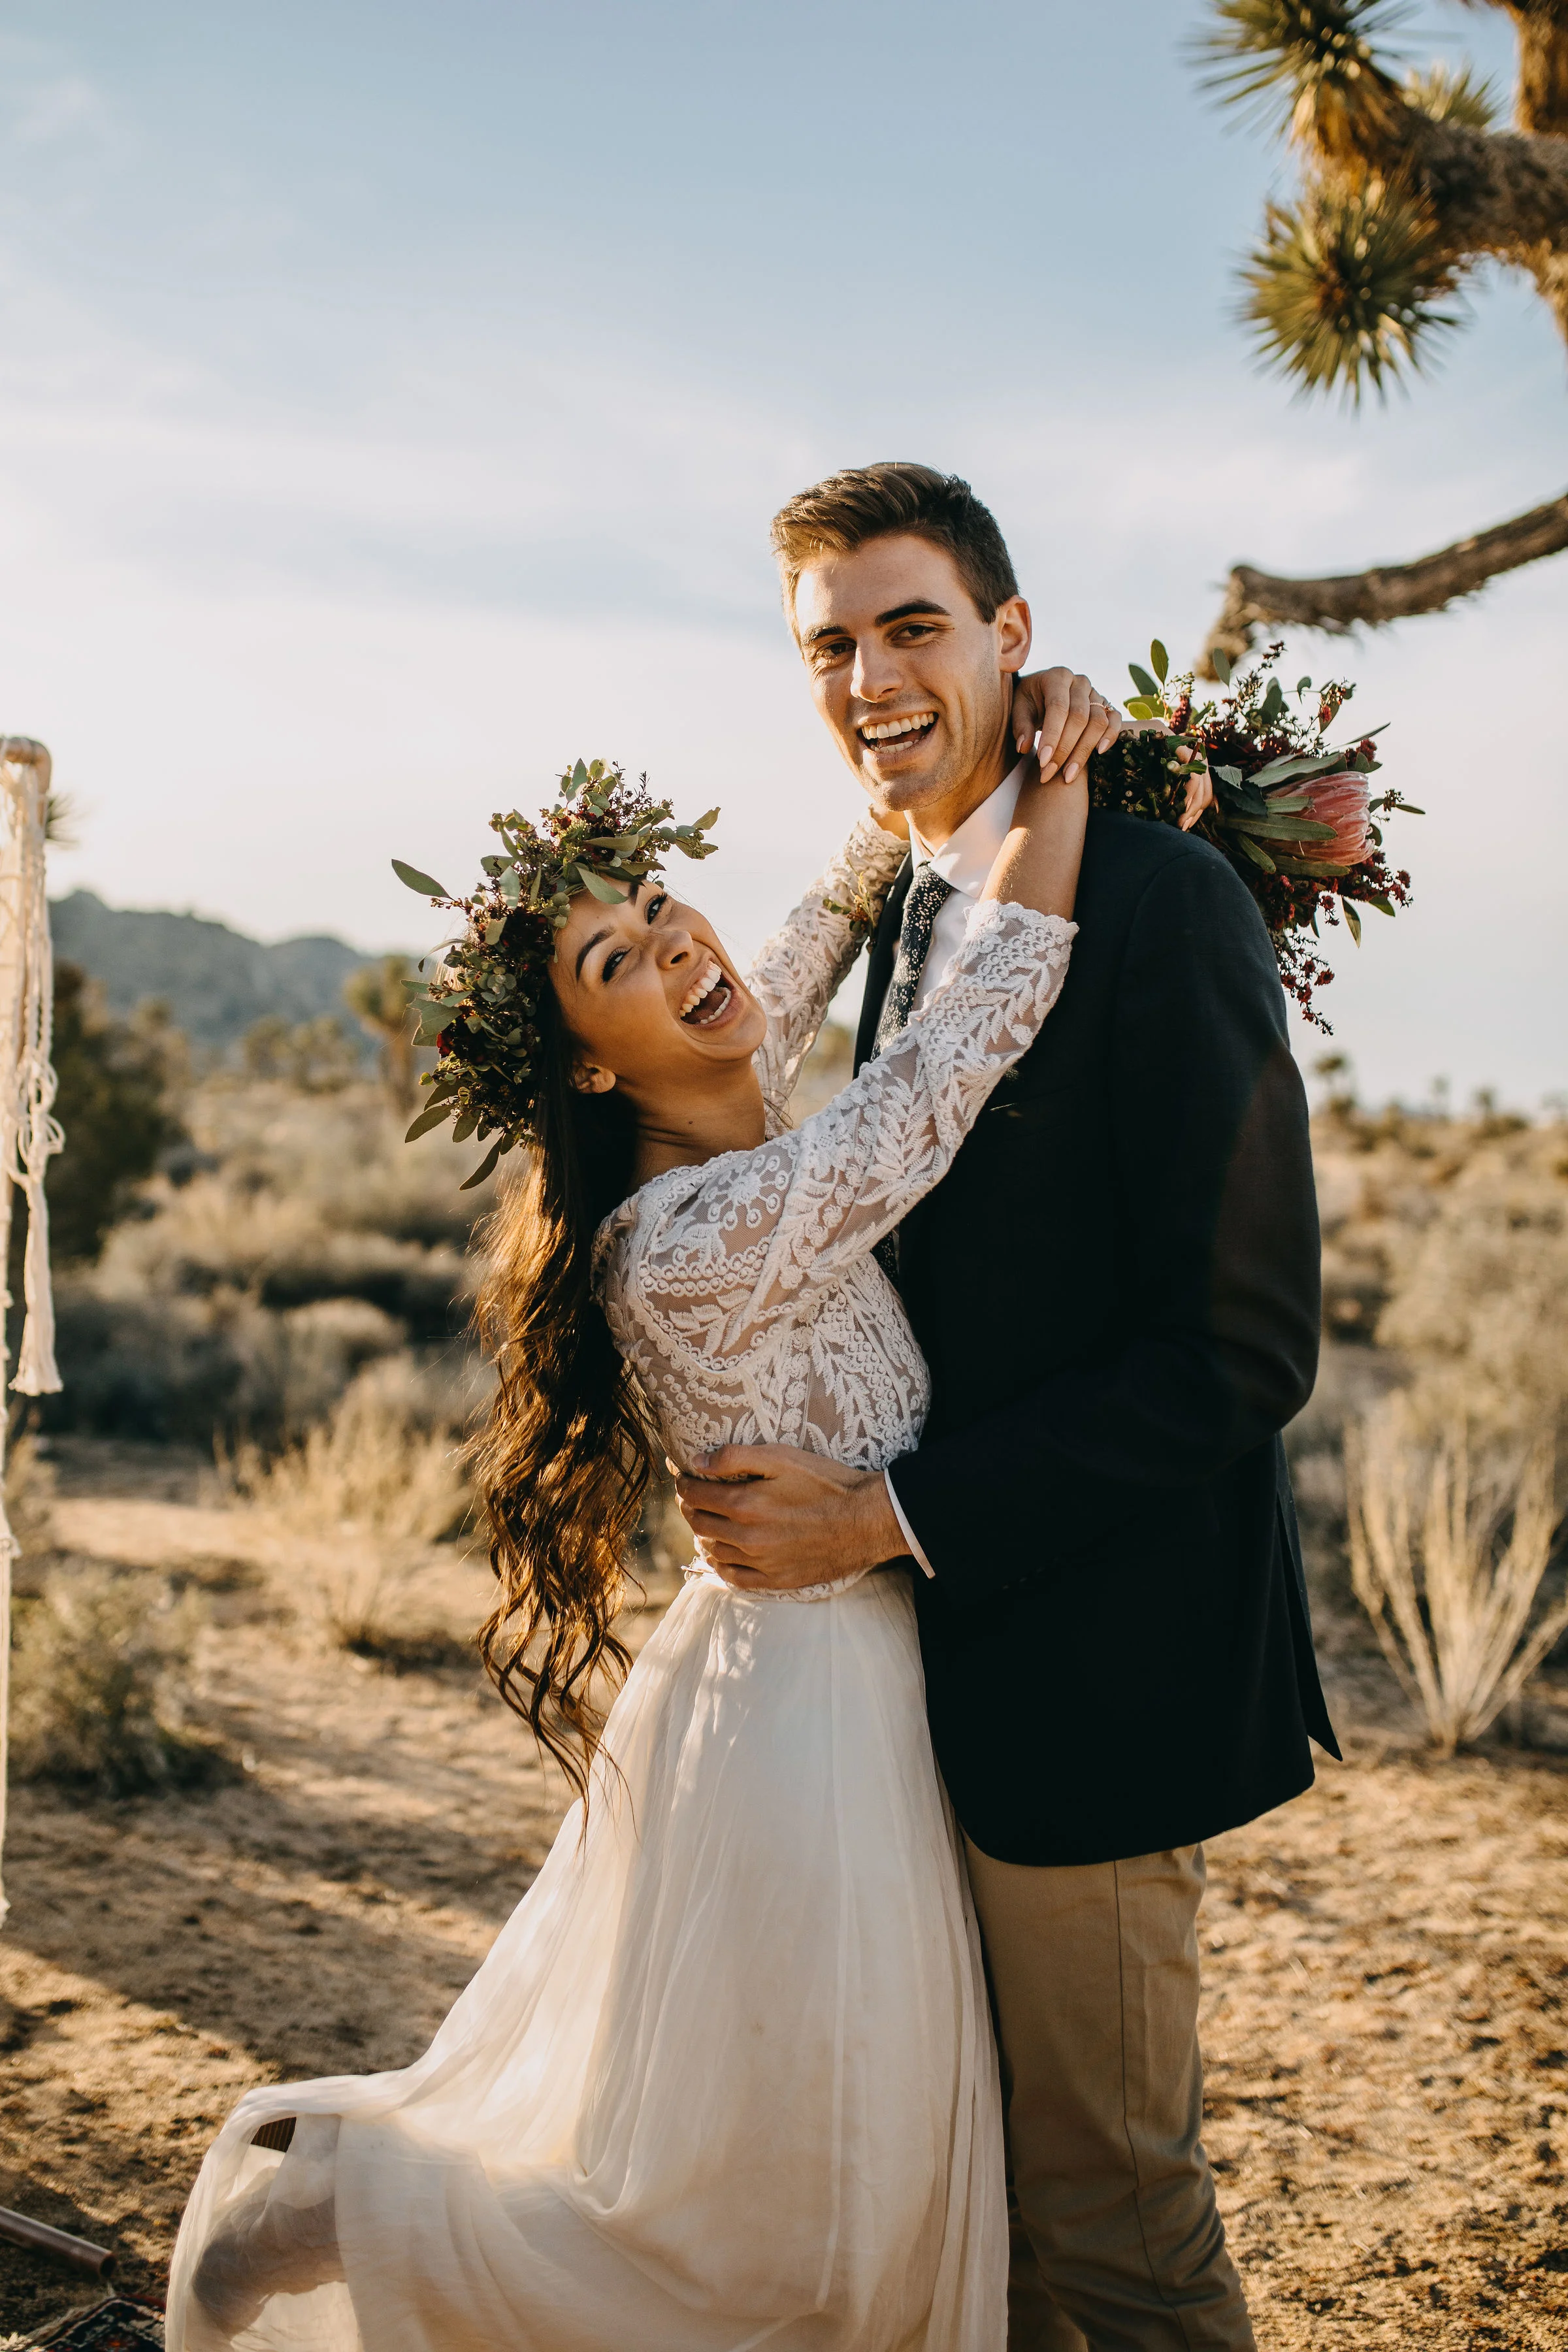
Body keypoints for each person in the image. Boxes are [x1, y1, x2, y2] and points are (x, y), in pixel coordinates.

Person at [165, 655, 1117, 2347]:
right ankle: (338, 2213)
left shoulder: (726, 1107)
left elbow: (812, 934)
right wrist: (1062, 785)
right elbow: (951, 1061)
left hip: (854, 1697)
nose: (681, 947)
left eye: (667, 906)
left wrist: (909, 763)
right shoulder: (681, 1246)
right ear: (588, 1070)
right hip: (805, 1743)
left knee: (818, 2179)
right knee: (778, 2235)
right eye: (618, 957)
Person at [676, 462, 1339, 2352]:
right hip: (906, 1696)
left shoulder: (1162, 901)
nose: (871, 678)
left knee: (1112, 2220)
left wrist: (878, 1516)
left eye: (913, 628)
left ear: (1012, 637)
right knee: (982, 2205)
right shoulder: (896, 915)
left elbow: (1240, 1351)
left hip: (1100, 1676)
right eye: (832, 645)